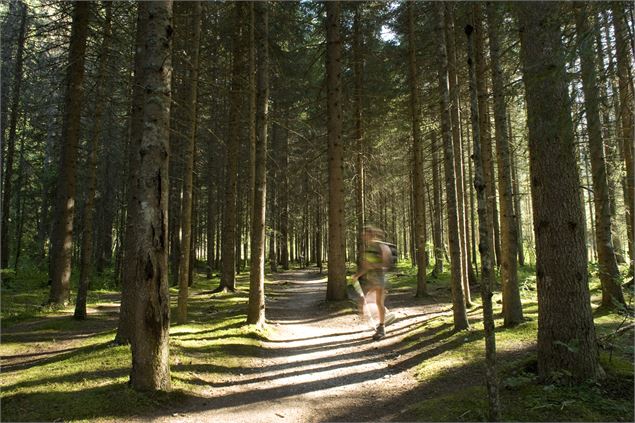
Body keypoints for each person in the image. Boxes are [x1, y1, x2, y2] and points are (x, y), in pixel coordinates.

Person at [351, 225, 391, 341]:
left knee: (378, 302)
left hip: (380, 278)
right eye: (363, 234)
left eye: (365, 234)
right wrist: (357, 275)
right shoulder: (367, 248)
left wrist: (372, 265)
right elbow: (365, 267)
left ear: (371, 234)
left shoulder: (381, 246)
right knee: (365, 301)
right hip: (370, 279)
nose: (363, 236)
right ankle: (379, 321)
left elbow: (386, 264)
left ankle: (382, 327)